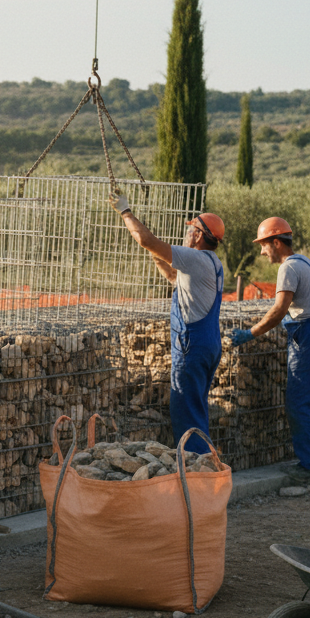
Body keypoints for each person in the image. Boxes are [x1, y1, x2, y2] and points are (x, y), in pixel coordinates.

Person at [110, 193, 226, 454]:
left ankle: (196, 474)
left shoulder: (195, 258)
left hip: (192, 347)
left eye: (190, 230)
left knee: (186, 411)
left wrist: (125, 211)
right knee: (196, 408)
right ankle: (203, 469)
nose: (186, 235)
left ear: (198, 235)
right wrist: (155, 253)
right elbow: (174, 277)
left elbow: (145, 239)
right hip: (208, 344)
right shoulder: (211, 264)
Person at [229, 217, 310, 482]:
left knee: (298, 402)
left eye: (264, 245)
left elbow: (279, 309)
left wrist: (250, 333)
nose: (262, 252)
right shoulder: (306, 261)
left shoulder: (287, 268)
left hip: (307, 337)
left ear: (276, 242)